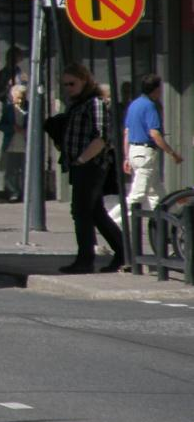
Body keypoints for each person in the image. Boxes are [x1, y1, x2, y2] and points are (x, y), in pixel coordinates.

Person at [58, 62, 124, 274]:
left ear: (84, 81)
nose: (68, 88)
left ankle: (85, 259)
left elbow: (101, 136)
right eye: (65, 84)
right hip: (81, 165)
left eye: (72, 83)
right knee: (95, 213)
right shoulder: (79, 103)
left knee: (81, 212)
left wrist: (82, 159)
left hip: (91, 166)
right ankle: (123, 253)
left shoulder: (94, 103)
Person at [124, 73, 182, 214]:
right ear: (156, 90)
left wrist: (126, 157)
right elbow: (155, 134)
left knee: (158, 194)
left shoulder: (134, 105)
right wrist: (172, 153)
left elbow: (127, 132)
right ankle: (111, 222)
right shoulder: (150, 106)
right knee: (136, 197)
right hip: (146, 154)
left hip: (134, 151)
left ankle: (175, 222)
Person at [0, 83, 27, 202]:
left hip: (25, 145)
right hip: (11, 144)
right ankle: (13, 192)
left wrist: (26, 130)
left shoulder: (30, 108)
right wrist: (12, 128)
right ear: (12, 97)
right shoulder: (9, 109)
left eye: (22, 97)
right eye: (17, 98)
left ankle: (25, 191)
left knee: (25, 170)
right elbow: (1, 125)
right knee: (11, 170)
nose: (19, 100)